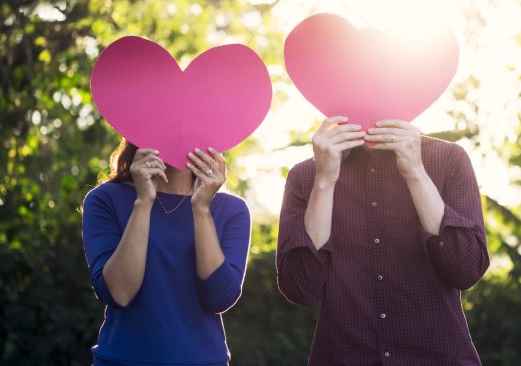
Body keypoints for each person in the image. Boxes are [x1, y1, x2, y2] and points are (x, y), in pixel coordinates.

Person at [276, 116, 490, 365]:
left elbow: (466, 270)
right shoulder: (304, 176)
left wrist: (416, 172)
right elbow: (301, 288)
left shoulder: (448, 158)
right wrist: (324, 180)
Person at [82, 139, 251, 366]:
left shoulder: (232, 210)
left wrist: (201, 209)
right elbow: (119, 293)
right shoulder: (104, 199)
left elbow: (220, 297)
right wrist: (143, 202)